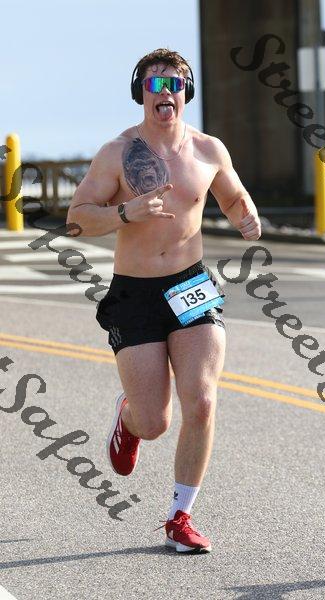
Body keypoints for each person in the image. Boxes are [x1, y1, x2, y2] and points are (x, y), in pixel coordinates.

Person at [66, 48, 261, 553]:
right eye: (154, 84)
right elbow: (77, 219)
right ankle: (130, 417)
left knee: (202, 400)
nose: (165, 93)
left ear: (185, 93)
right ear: (141, 94)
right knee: (155, 422)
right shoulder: (117, 153)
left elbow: (232, 196)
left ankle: (180, 517)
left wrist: (246, 215)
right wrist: (125, 213)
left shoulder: (209, 150)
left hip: (190, 285)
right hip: (135, 293)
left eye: (173, 84)